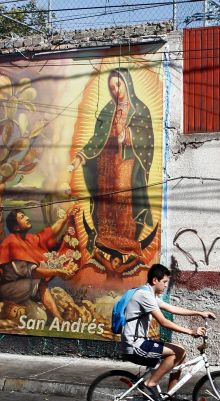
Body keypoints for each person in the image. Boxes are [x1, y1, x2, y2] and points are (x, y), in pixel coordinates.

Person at [69, 68, 156, 276]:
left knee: (124, 200)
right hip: (105, 165)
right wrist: (81, 156)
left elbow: (148, 140)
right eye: (111, 87)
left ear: (127, 83)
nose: (115, 90)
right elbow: (97, 138)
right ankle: (104, 239)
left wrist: (128, 134)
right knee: (105, 203)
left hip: (127, 163)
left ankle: (127, 241)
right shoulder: (108, 110)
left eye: (118, 85)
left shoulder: (140, 109)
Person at [121, 263, 215, 401]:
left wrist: (200, 313)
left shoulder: (149, 294)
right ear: (155, 280)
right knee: (176, 352)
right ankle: (150, 384)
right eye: (164, 282)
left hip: (141, 342)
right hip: (135, 345)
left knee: (180, 351)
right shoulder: (144, 295)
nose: (166, 285)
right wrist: (190, 331)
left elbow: (172, 308)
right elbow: (163, 322)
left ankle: (171, 395)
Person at [0, 208, 76, 321]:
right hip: (7, 290)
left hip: (22, 286)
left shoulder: (29, 239)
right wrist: (58, 272)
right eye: (22, 217)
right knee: (40, 281)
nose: (27, 218)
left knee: (41, 314)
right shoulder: (12, 242)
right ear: (16, 227)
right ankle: (59, 320)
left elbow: (50, 232)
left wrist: (65, 217)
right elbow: (34, 273)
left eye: (25, 215)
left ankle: (56, 318)